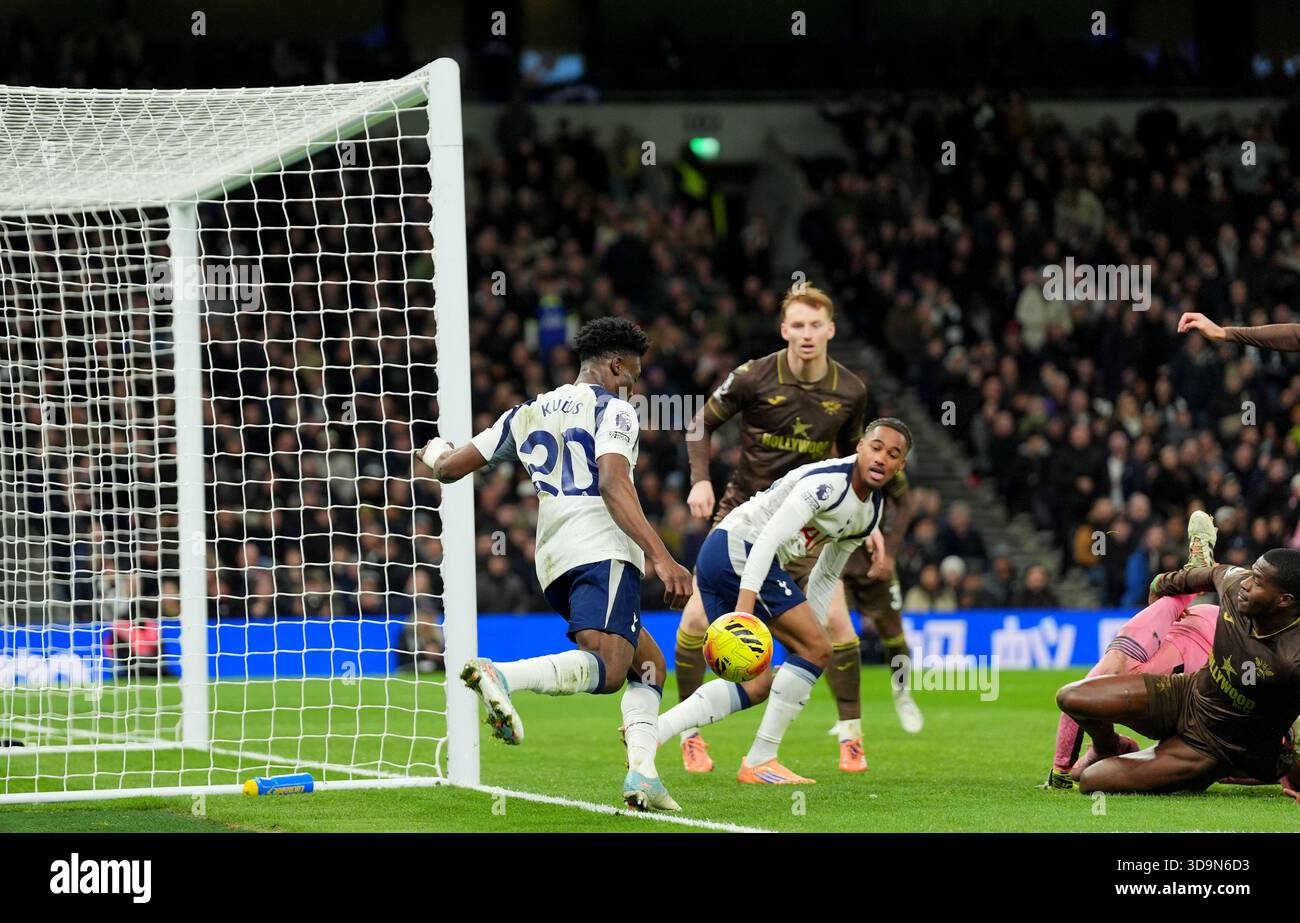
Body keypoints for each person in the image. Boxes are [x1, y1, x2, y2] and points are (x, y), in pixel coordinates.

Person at [417, 317, 693, 812]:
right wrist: (662, 556)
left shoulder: (528, 411)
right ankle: (503, 676)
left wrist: (435, 451)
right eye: (634, 372)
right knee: (610, 671)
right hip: (601, 548)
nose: (635, 384)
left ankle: (643, 774)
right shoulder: (616, 411)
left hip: (553, 558)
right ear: (614, 365)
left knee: (648, 668)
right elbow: (613, 483)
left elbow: (449, 468)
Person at [675, 283, 920, 776]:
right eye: (798, 326)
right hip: (746, 516)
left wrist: (863, 517)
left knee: (836, 626)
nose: (807, 335)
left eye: (816, 326)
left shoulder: (850, 390)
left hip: (813, 523)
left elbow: (861, 453)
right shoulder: (753, 375)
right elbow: (698, 424)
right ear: (784, 330)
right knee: (697, 625)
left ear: (830, 330)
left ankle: (851, 738)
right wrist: (700, 481)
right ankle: (689, 735)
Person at [655, 418, 911, 784]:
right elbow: (767, 541)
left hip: (728, 556)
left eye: (893, 454)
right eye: (875, 447)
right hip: (738, 550)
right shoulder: (827, 484)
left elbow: (825, 574)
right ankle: (760, 760)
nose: (881, 458)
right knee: (816, 649)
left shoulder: (869, 514)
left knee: (758, 683)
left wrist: (806, 642)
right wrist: (745, 614)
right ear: (859, 447)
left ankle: (655, 731)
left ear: (900, 466)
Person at [1055, 546, 1300, 795]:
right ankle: (1108, 748)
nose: (1245, 583)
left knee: (1091, 780)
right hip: (1185, 694)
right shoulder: (1236, 585)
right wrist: (1161, 584)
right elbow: (1206, 574)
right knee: (1072, 697)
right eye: (1249, 574)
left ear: (1284, 600)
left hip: (1215, 744)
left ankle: (1216, 772)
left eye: (1257, 582)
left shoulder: (1293, 657)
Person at [1042, 511, 1218, 789]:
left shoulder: (1130, 647)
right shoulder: (1132, 649)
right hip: (1192, 688)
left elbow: (1171, 598)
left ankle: (1105, 748)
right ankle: (1104, 748)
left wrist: (1061, 769)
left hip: (1192, 672)